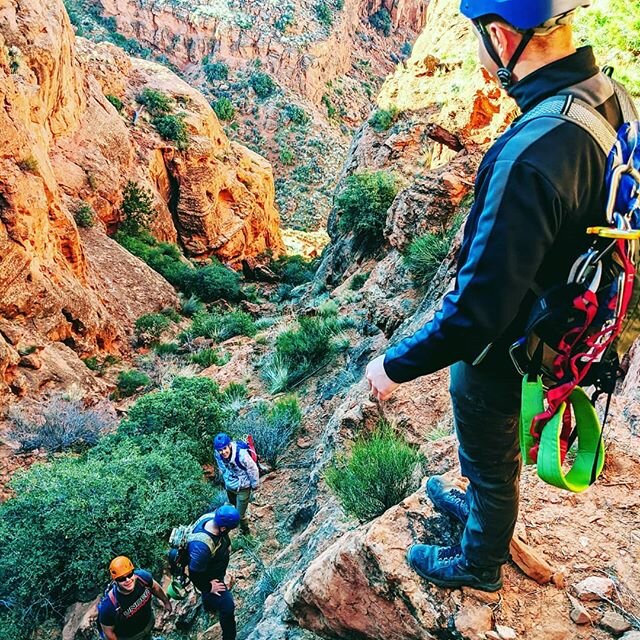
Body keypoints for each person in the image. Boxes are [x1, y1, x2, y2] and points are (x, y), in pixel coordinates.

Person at [366, 0, 629, 592]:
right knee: (489, 457)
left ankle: (479, 562)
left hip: (508, 347)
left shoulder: (533, 153)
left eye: (477, 39)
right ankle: (484, 512)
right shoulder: (608, 97)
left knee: (489, 447)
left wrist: (392, 367)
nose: (475, 55)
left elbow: (476, 314)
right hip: (565, 318)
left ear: (504, 35)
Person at [187, 504, 240, 640]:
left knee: (209, 597)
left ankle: (209, 605)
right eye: (229, 529)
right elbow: (194, 573)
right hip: (209, 577)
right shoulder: (202, 547)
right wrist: (209, 587)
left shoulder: (210, 517)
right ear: (223, 528)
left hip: (214, 567)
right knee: (227, 606)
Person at [97, 556, 172, 640]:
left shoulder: (142, 578)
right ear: (115, 581)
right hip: (130, 637)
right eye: (122, 578)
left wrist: (166, 602)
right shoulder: (109, 605)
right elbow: (108, 632)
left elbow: (155, 587)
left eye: (129, 574)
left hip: (148, 624)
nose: (127, 580)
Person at [213, 432, 259, 533]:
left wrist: (255, 484)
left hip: (243, 487)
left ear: (229, 445)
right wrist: (226, 477)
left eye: (225, 448)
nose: (223, 452)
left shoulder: (241, 454)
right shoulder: (218, 454)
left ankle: (245, 531)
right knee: (234, 506)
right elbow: (222, 466)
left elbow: (252, 469)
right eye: (220, 450)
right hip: (230, 486)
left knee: (239, 515)